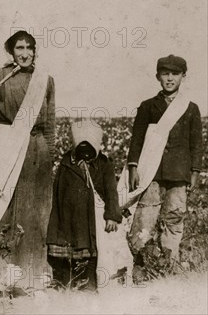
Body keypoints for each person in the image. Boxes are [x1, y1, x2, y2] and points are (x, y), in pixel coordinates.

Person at [0, 30, 55, 290]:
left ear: (35, 50)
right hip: (7, 147)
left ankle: (30, 276)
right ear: (11, 51)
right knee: (4, 209)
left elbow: (50, 124)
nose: (25, 53)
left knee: (36, 215)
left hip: (38, 152)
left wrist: (49, 155)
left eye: (29, 48)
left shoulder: (45, 80)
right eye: (19, 48)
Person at [125, 54, 203, 282]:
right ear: (157, 76)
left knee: (174, 219)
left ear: (183, 76)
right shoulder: (148, 106)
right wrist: (133, 167)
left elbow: (196, 143)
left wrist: (195, 171)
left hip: (179, 174)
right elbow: (136, 140)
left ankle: (168, 268)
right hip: (152, 172)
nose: (170, 79)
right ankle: (139, 268)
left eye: (175, 74)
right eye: (165, 74)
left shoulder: (190, 108)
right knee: (144, 219)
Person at [46, 119, 122, 291]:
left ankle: (89, 284)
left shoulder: (104, 164)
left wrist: (112, 215)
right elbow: (58, 191)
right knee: (69, 251)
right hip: (68, 216)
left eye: (90, 150)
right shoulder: (67, 163)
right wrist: (56, 219)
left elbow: (111, 192)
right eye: (82, 149)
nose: (86, 154)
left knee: (91, 251)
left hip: (91, 217)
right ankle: (65, 282)